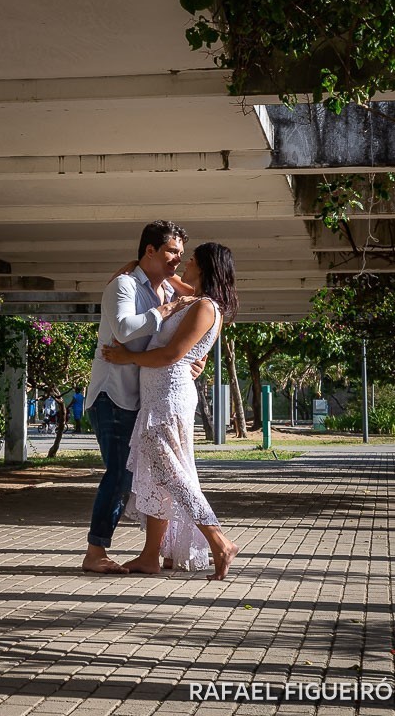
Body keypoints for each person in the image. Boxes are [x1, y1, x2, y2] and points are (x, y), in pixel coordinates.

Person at [101, 242, 241, 580]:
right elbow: (170, 278)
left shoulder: (205, 307)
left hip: (168, 397)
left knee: (172, 475)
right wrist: (139, 262)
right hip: (158, 396)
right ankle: (151, 555)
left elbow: (171, 355)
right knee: (160, 477)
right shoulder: (194, 298)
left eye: (191, 259)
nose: (183, 262)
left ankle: (218, 539)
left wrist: (127, 357)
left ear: (205, 268)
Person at [81, 220, 198, 574]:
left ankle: (158, 550)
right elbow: (123, 329)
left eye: (181, 253)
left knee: (148, 477)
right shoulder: (124, 285)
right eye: (171, 252)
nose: (178, 259)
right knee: (120, 475)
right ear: (150, 250)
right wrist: (163, 310)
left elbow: (194, 297)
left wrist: (191, 361)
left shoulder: (162, 289)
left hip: (142, 399)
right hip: (113, 395)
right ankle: (95, 552)